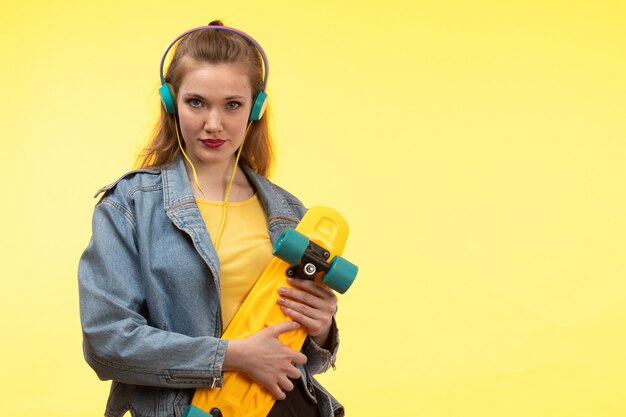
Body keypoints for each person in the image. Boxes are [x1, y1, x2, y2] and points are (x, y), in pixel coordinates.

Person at [78, 21, 344, 417]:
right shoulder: (129, 206)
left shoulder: (289, 213)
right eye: (197, 102)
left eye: (232, 104)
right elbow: (107, 341)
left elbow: (306, 360)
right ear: (171, 102)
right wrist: (230, 356)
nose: (213, 124)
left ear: (255, 108)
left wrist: (320, 327)